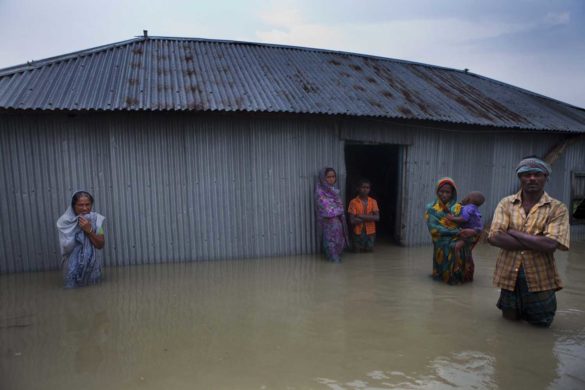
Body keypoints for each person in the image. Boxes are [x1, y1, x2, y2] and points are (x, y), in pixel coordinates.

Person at [488, 157, 569, 327]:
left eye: (537, 174)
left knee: (540, 328)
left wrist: (514, 233)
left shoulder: (557, 208)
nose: (532, 178)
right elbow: (494, 237)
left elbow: (550, 245)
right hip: (508, 278)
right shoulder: (506, 203)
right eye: (526, 174)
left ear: (546, 177)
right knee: (508, 326)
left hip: (541, 280)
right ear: (520, 178)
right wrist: (536, 240)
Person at [424, 177, 477, 284]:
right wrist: (456, 232)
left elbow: (469, 223)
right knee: (442, 276)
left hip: (460, 239)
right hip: (442, 242)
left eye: (447, 192)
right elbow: (433, 228)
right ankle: (444, 278)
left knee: (462, 246)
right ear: (437, 191)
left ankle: (460, 277)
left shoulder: (459, 207)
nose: (444, 195)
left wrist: (467, 232)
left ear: (452, 193)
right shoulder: (431, 208)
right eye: (441, 191)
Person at [56, 191, 106, 288]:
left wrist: (89, 230)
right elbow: (66, 247)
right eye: (80, 205)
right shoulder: (65, 222)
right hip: (72, 267)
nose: (85, 208)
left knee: (94, 291)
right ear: (73, 206)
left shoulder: (96, 219)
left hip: (92, 266)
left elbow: (100, 244)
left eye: (88, 204)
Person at [315, 168, 349, 262]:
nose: (331, 179)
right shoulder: (320, 193)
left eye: (333, 176)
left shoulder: (334, 191)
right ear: (323, 178)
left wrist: (338, 210)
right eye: (328, 177)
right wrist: (339, 210)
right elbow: (327, 211)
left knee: (339, 246)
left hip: (338, 225)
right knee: (331, 249)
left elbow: (339, 208)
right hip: (328, 227)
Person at [348, 179, 380, 252]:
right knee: (357, 252)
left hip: (371, 232)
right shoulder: (353, 202)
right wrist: (370, 217)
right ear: (358, 188)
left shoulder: (373, 201)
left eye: (367, 188)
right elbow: (352, 220)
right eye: (363, 187)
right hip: (357, 232)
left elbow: (377, 217)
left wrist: (360, 216)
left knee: (369, 251)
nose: (365, 189)